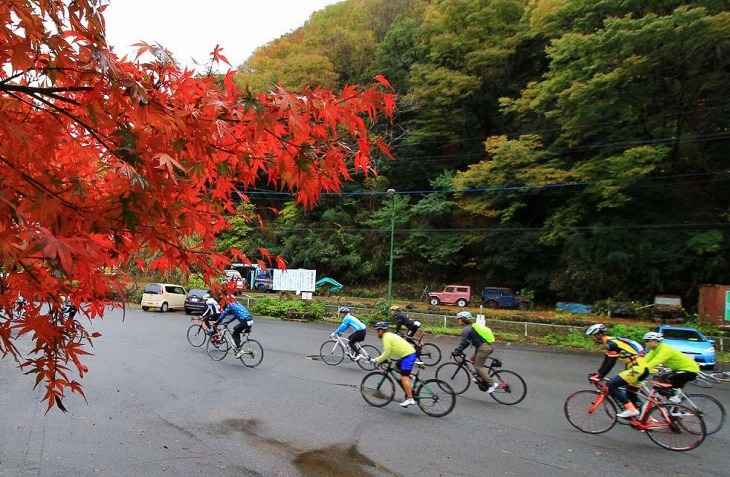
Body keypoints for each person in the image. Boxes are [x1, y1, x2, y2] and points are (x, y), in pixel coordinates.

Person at [585, 323, 649, 418]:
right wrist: (598, 373)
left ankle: (631, 410)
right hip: (641, 368)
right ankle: (647, 418)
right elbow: (606, 361)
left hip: (636, 369)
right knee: (631, 394)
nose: (592, 339)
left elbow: (611, 363)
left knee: (612, 385)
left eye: (592, 337)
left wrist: (599, 376)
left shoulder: (612, 344)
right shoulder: (610, 342)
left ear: (599, 335)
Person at [370, 321, 419, 407]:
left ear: (381, 330)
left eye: (377, 331)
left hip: (408, 356)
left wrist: (376, 360)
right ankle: (412, 376)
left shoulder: (386, 338)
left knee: (403, 377)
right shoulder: (390, 335)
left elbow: (386, 352)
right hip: (406, 355)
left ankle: (410, 399)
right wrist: (386, 360)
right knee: (395, 367)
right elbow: (390, 352)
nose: (377, 333)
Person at [643, 331, 699, 404]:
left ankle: (676, 397)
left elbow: (656, 361)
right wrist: (634, 368)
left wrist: (645, 370)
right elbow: (644, 361)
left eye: (647, 341)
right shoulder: (655, 350)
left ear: (655, 341)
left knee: (665, 377)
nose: (645, 343)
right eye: (645, 341)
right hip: (679, 369)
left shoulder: (665, 349)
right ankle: (672, 403)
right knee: (661, 380)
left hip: (690, 370)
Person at [452, 311, 498, 393]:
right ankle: (481, 378)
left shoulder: (466, 329)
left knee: (478, 367)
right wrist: (459, 350)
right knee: (472, 360)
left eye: (459, 319)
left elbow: (463, 342)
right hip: (486, 346)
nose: (458, 321)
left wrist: (458, 351)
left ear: (463, 319)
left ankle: (492, 384)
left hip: (483, 348)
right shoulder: (471, 327)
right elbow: (466, 343)